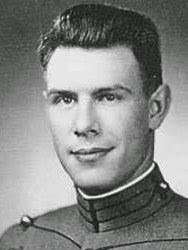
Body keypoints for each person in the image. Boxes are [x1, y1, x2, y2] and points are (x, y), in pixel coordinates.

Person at [0, 3, 187, 250]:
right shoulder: (22, 242)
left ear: (156, 108)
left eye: (108, 97)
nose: (84, 125)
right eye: (65, 99)